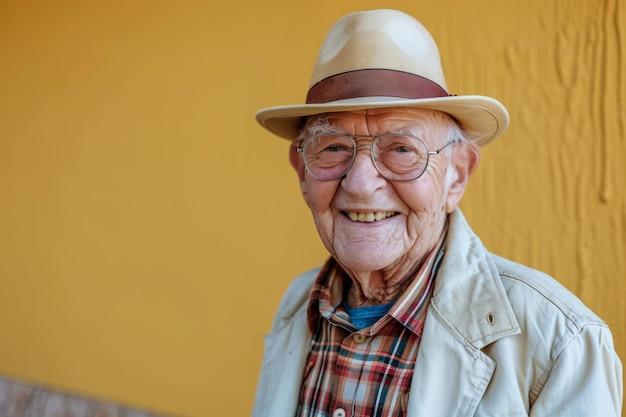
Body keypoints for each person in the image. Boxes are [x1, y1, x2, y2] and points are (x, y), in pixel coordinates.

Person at [252, 9, 622, 417]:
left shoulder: (559, 342)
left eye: (402, 149)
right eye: (333, 147)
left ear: (456, 176)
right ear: (302, 169)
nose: (359, 183)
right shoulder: (298, 304)